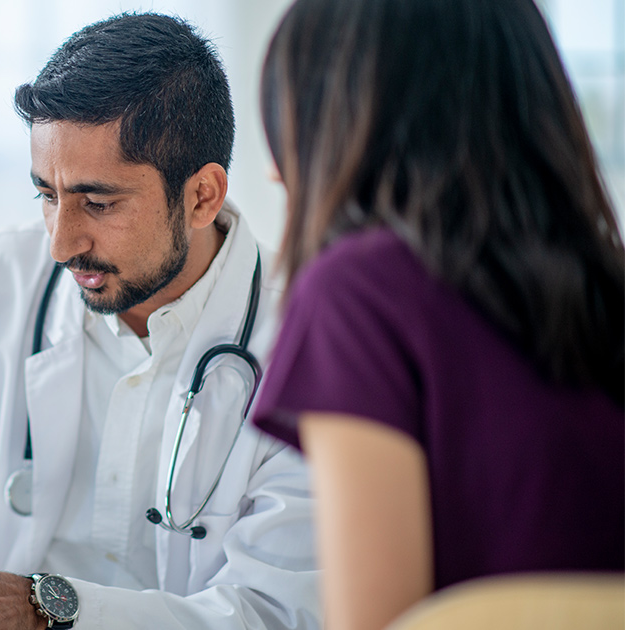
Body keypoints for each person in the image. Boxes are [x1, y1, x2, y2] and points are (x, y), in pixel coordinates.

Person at [0, 12, 321, 630]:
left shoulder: (310, 342)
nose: (61, 244)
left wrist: (50, 611)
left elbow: (277, 612)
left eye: (98, 203)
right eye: (47, 195)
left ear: (202, 195)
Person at [250, 1, 625, 629]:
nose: (273, 170)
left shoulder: (358, 296)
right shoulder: (607, 285)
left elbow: (376, 622)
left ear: (343, 125)